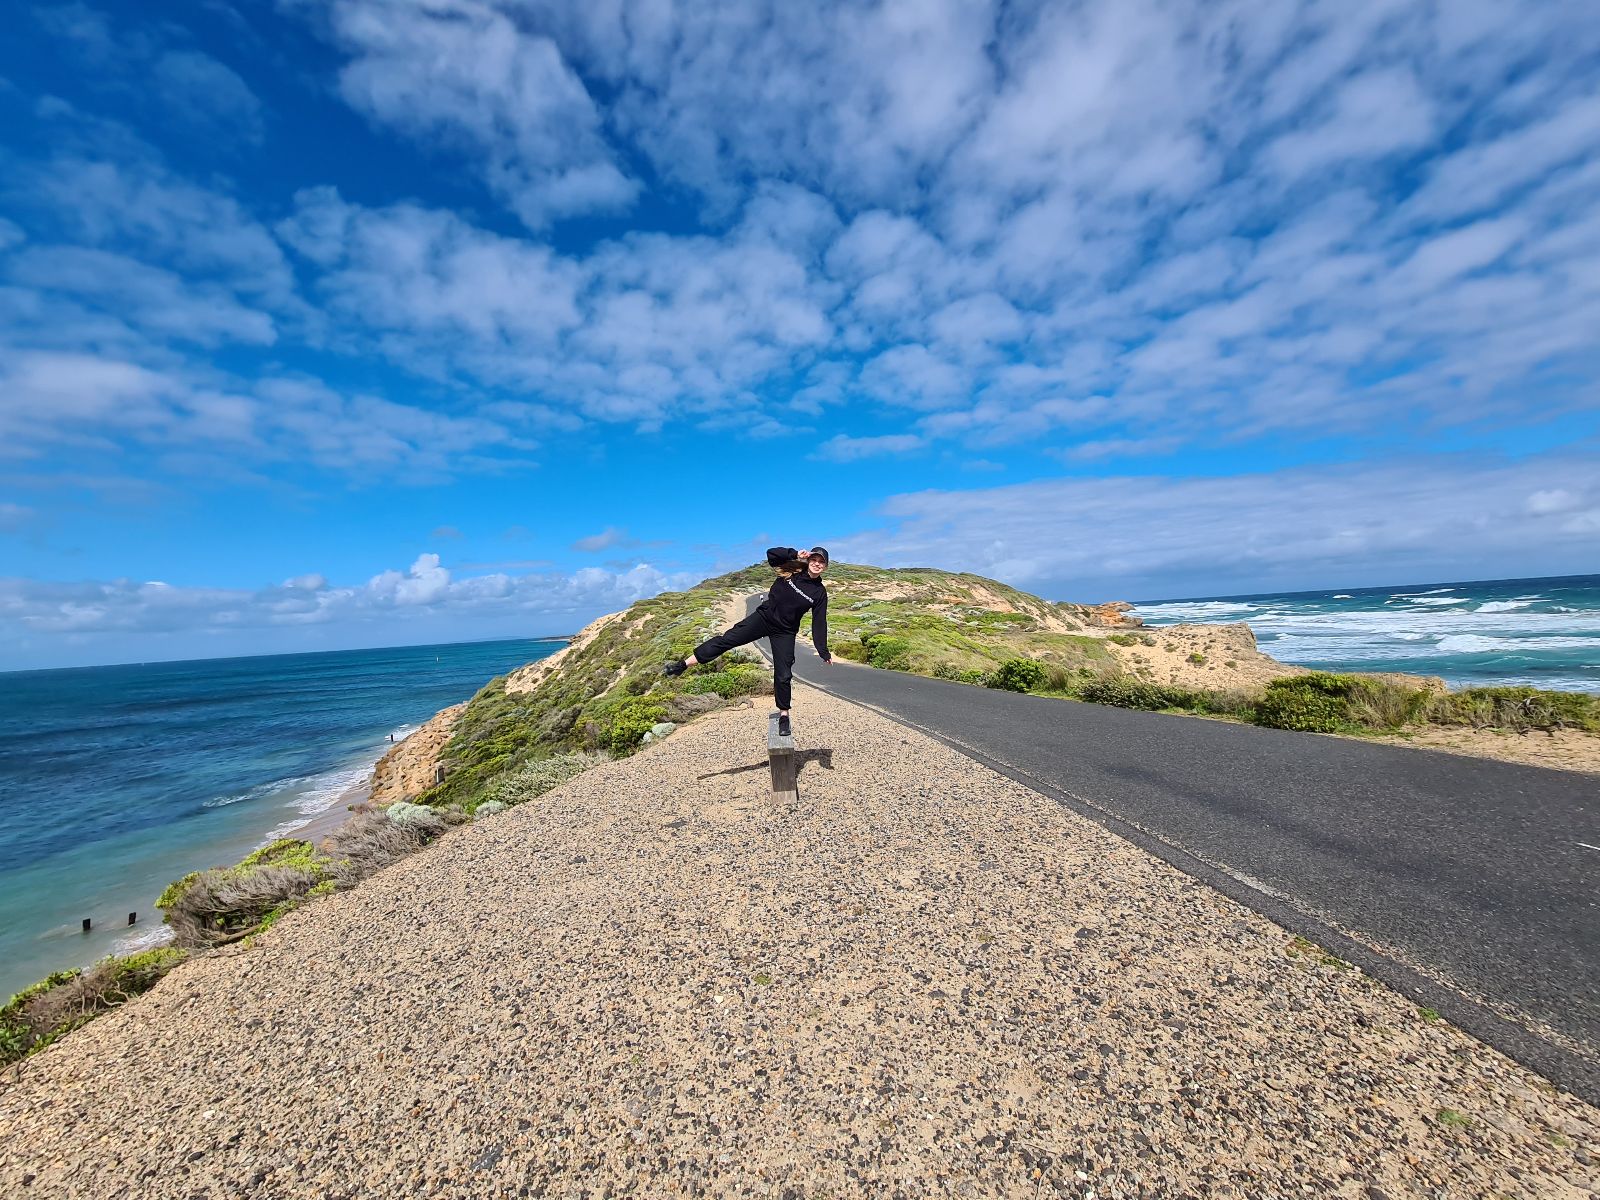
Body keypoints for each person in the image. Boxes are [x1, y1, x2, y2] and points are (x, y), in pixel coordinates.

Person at [664, 545, 832, 736]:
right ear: (809, 560)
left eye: (821, 562)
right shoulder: (792, 569)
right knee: (727, 640)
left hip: (785, 631)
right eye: (814, 560)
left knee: (784, 673)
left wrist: (822, 650)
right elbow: (771, 554)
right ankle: (683, 664)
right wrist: (794, 554)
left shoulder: (819, 593)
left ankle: (784, 715)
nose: (817, 564)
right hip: (763, 618)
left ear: (825, 567)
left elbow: (819, 622)